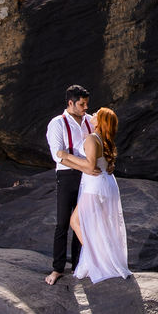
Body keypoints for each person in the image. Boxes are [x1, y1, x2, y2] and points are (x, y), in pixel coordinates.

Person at [51, 107, 130, 284]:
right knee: (99, 224)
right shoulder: (104, 138)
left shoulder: (92, 138)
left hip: (95, 186)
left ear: (100, 120)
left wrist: (65, 155)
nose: (92, 114)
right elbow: (103, 162)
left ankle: (98, 258)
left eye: (96, 114)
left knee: (75, 221)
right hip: (106, 183)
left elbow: (89, 166)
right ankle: (104, 257)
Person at [44, 85, 99, 284]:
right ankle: (57, 268)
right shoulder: (57, 124)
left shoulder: (90, 121)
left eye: (86, 104)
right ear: (70, 103)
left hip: (87, 177)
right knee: (62, 223)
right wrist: (85, 167)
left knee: (81, 221)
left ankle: (78, 266)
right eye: (81, 104)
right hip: (67, 176)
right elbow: (58, 157)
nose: (85, 108)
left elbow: (101, 142)